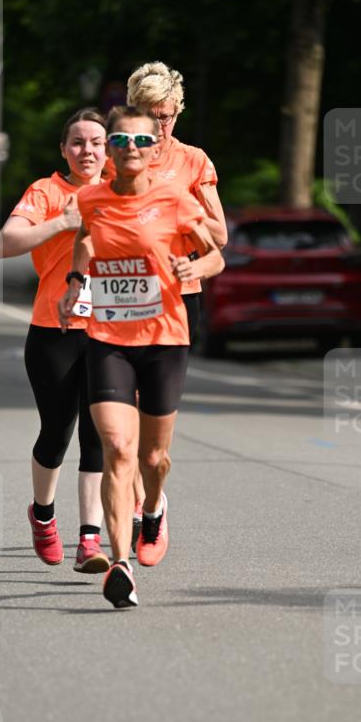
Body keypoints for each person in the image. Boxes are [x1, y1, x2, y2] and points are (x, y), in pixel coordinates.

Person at [59, 106, 224, 609]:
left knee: (152, 458)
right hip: (108, 338)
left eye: (140, 141)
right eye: (120, 140)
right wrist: (74, 285)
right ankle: (120, 562)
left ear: (155, 150)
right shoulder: (90, 198)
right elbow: (86, 241)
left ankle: (152, 508)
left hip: (164, 340)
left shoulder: (175, 199)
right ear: (110, 147)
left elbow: (216, 253)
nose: (130, 149)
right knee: (116, 448)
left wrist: (190, 265)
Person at [0, 108, 109, 574]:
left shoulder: (124, 189)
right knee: (57, 431)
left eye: (97, 142)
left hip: (111, 331)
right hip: (54, 330)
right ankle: (43, 515)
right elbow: (6, 243)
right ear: (64, 150)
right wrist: (62, 222)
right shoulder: (46, 192)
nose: (88, 151)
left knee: (99, 433)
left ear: (110, 148)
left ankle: (89, 539)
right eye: (78, 142)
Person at [125, 61, 228, 543]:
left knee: (155, 412)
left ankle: (154, 499)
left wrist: (177, 212)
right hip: (120, 297)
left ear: (177, 112)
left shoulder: (193, 160)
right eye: (150, 113)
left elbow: (220, 236)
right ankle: (127, 497)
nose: (160, 124)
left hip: (175, 297)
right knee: (119, 408)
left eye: (167, 114)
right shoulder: (117, 156)